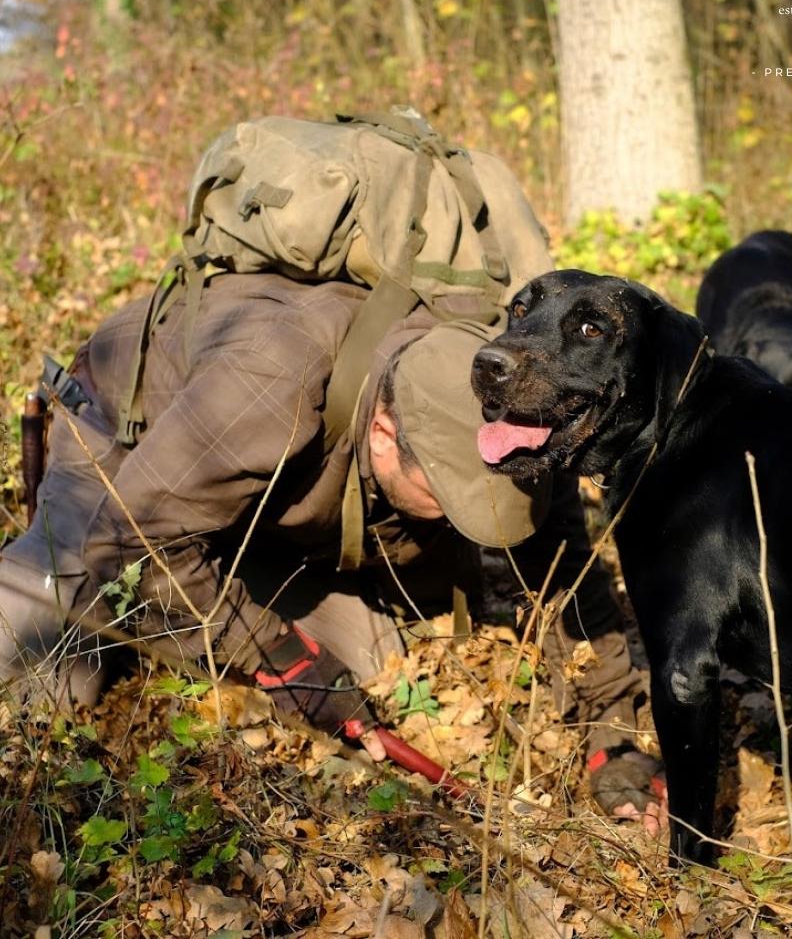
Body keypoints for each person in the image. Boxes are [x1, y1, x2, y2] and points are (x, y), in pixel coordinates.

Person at [0, 251, 664, 837]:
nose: (466, 526)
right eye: (450, 504)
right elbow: (131, 536)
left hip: (255, 492)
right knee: (48, 677)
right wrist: (278, 656)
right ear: (382, 432)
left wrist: (615, 739)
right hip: (128, 452)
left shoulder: (512, 402)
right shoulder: (270, 384)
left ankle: (201, 581)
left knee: (368, 658)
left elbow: (564, 575)